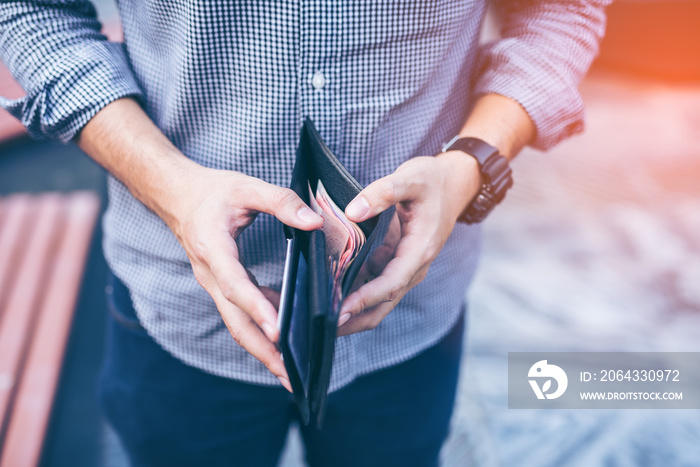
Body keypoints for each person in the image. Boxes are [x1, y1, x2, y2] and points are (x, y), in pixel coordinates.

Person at [0, 1, 609, 465]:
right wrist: (173, 190)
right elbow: (33, 11)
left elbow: (560, 9)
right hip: (178, 304)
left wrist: (472, 162)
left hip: (411, 312)